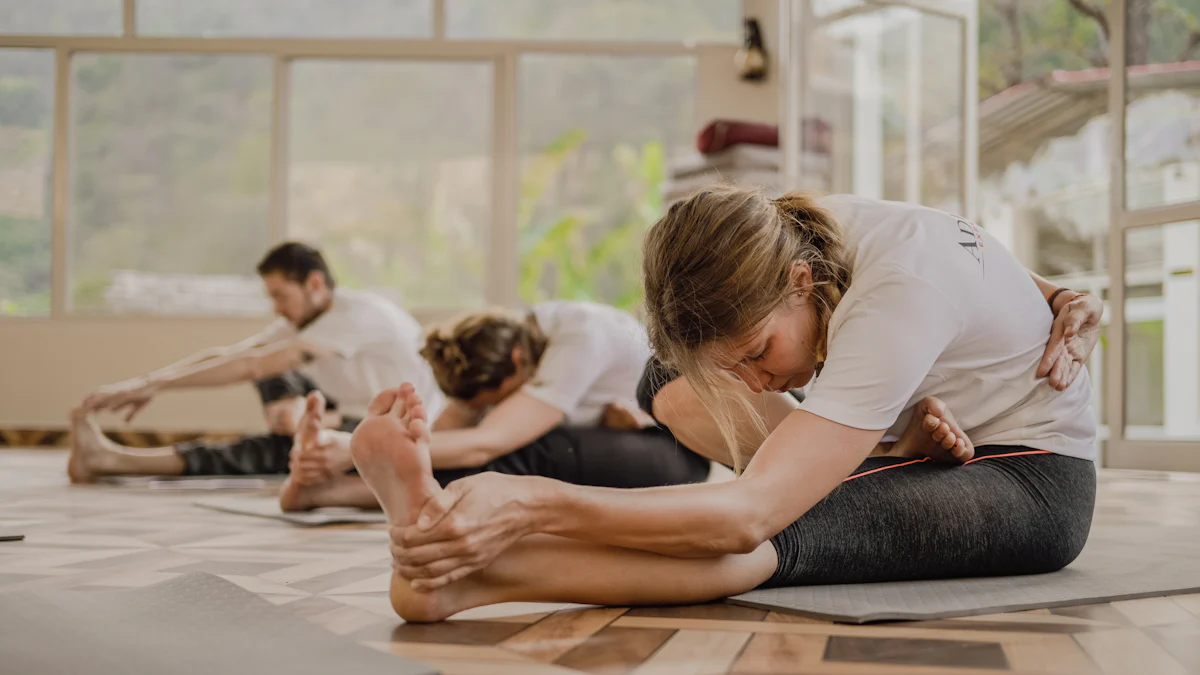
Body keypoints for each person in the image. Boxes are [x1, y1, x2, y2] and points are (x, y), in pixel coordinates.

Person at [345, 186, 1103, 623]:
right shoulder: (798, 233)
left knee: (774, 527)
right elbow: (980, 267)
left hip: (1030, 479)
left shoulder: (894, 293)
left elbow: (749, 515)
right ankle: (859, 467)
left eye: (759, 351)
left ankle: (475, 576)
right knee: (663, 381)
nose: (755, 381)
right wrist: (1055, 292)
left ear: (801, 283)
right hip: (924, 439)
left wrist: (532, 502)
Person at [278, 301, 711, 511]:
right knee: (514, 447)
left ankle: (336, 493)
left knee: (530, 450)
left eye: (496, 401)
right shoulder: (510, 342)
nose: (495, 408)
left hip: (677, 455)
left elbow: (486, 443)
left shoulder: (579, 340)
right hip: (613, 443)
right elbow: (449, 435)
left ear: (517, 364)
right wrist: (349, 458)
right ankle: (329, 488)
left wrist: (353, 446)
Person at [67, 242, 444, 483]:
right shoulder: (302, 321)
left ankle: (114, 460)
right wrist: (149, 382)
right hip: (345, 409)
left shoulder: (359, 314)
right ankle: (296, 422)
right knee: (267, 364)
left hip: (395, 425)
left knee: (275, 402)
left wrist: (150, 386)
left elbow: (253, 366)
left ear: (314, 284)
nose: (276, 308)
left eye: (280, 296)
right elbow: (233, 356)